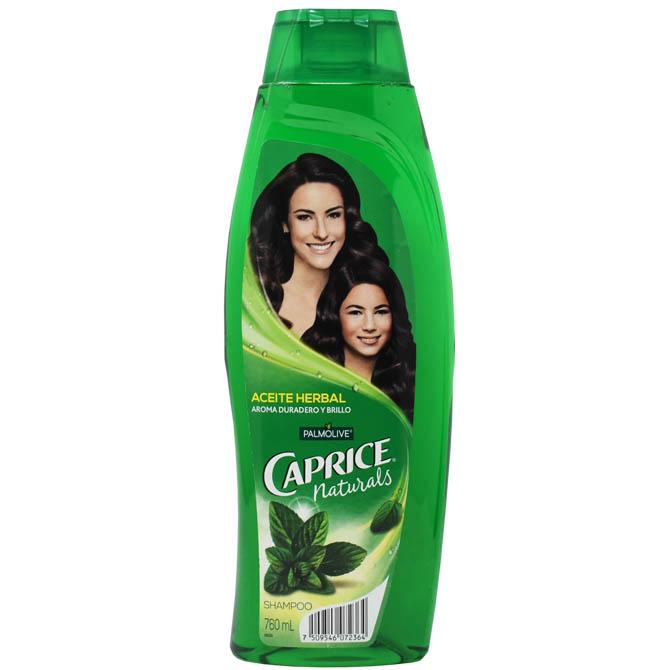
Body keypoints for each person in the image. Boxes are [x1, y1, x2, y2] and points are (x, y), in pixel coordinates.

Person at [248, 153, 388, 336]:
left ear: (347, 219)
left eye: (333, 215)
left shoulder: (374, 298)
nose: (321, 233)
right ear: (285, 224)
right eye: (305, 217)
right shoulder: (259, 300)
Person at [302, 257, 416, 422]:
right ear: (335, 315)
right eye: (356, 312)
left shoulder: (412, 379)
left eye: (381, 312)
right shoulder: (309, 376)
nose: (369, 326)